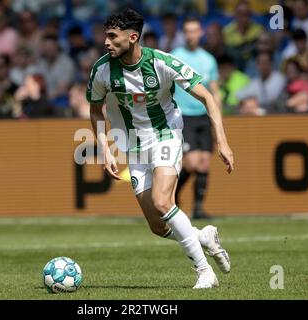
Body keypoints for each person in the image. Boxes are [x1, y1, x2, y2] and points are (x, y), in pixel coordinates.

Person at [87, 8, 234, 289]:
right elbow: (96, 110)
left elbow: (208, 97)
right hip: (134, 146)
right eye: (105, 36)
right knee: (158, 226)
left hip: (165, 134)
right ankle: (202, 236)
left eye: (112, 36)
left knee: (163, 202)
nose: (106, 42)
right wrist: (104, 148)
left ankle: (205, 272)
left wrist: (222, 142)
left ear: (132, 37)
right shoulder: (102, 69)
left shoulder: (162, 63)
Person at [171, 17, 222, 219]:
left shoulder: (208, 59)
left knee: (204, 163)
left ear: (200, 33)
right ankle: (172, 196)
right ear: (184, 34)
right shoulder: (175, 56)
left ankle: (198, 209)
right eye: (187, 31)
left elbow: (214, 90)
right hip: (183, 116)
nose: (191, 35)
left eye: (194, 31)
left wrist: (217, 115)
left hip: (203, 115)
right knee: (191, 163)